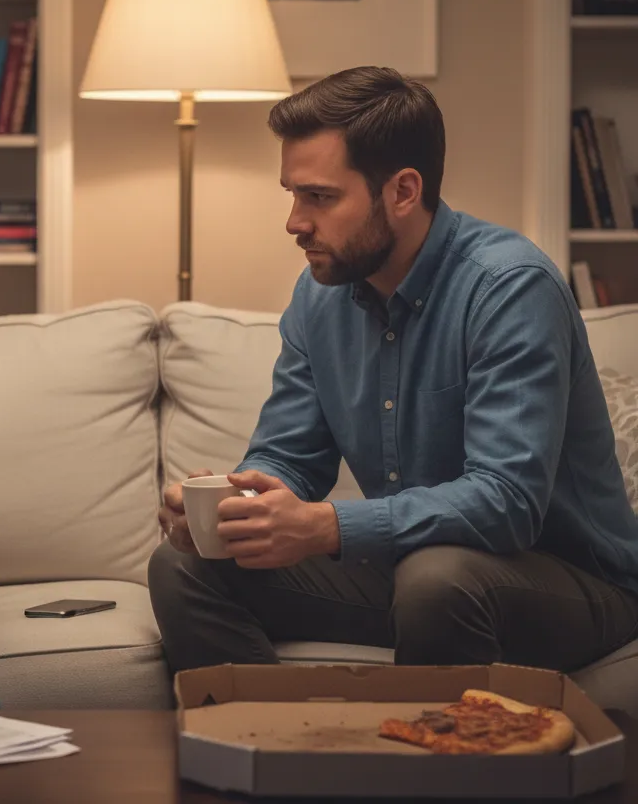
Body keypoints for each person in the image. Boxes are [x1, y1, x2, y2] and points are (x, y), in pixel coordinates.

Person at [149, 65, 638, 676]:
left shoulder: (509, 288)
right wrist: (232, 507)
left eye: (320, 197)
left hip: (568, 580)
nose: (295, 222)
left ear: (403, 191)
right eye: (293, 194)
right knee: (183, 565)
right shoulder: (319, 295)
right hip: (415, 573)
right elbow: (290, 458)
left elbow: (507, 502)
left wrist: (328, 527)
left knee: (438, 578)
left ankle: (425, 770)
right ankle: (264, 751)